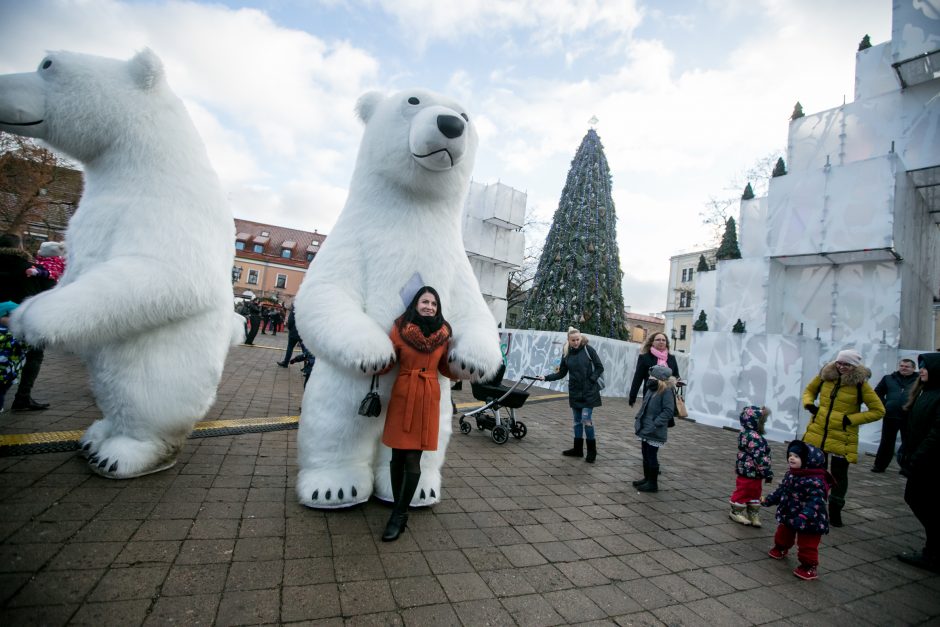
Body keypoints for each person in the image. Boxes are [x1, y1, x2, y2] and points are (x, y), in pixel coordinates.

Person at [378, 286, 456, 542]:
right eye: (425, 302)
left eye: (434, 303)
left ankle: (399, 514)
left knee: (413, 458)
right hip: (403, 395)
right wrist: (372, 360)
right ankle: (397, 504)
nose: (429, 307)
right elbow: (389, 359)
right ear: (416, 303)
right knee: (396, 456)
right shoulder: (400, 328)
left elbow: (446, 367)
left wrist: (468, 367)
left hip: (427, 397)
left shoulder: (444, 334)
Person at [801, 348, 884, 527]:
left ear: (854, 366)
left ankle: (835, 510)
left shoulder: (860, 384)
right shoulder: (825, 376)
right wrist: (809, 404)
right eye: (840, 363)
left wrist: (851, 419)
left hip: (842, 435)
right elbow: (809, 391)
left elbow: (878, 411)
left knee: (839, 475)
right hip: (819, 432)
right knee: (817, 471)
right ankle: (815, 505)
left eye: (847, 364)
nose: (842, 367)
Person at [762, 440, 834, 581]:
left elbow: (816, 503)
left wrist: (803, 515)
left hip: (810, 519)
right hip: (790, 512)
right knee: (783, 533)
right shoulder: (791, 474)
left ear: (808, 460)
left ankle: (809, 566)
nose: (791, 458)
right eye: (790, 455)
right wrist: (769, 499)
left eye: (797, 456)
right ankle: (781, 547)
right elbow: (782, 490)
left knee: (807, 544)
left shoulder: (816, 481)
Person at [897, 353, 940, 573]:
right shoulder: (925, 392)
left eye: (924, 367)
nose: (921, 370)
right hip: (919, 457)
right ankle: (932, 550)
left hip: (929, 462)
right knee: (917, 498)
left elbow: (935, 433)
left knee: (923, 501)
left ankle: (933, 553)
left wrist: (917, 456)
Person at [537, 326, 604, 463]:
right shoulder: (566, 353)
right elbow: (562, 373)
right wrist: (546, 377)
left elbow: (599, 367)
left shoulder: (588, 349)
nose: (576, 342)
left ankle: (592, 452)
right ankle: (577, 450)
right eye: (573, 340)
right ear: (568, 340)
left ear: (581, 338)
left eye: (577, 339)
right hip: (575, 391)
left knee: (586, 420)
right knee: (576, 421)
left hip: (589, 391)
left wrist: (591, 380)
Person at [0, 233, 51, 411]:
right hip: (24, 321)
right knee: (34, 356)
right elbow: (49, 293)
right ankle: (22, 397)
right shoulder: (32, 269)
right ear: (20, 247)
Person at [632, 364, 676, 492]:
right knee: (645, 453)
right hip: (645, 427)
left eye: (652, 376)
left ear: (659, 378)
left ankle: (653, 483)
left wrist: (655, 423)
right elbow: (645, 407)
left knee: (651, 455)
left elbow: (668, 411)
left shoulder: (666, 391)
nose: (649, 378)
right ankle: (647, 479)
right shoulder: (652, 388)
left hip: (655, 430)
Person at [729, 405, 774, 527]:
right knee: (745, 489)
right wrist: (767, 473)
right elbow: (760, 458)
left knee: (754, 490)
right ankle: (736, 510)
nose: (764, 423)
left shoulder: (746, 433)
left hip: (749, 470)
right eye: (762, 421)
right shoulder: (755, 438)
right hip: (752, 469)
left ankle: (752, 512)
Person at [871, 358, 918, 472]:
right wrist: (885, 404)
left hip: (909, 416)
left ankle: (906, 467)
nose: (904, 368)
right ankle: (879, 466)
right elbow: (877, 392)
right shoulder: (888, 378)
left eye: (907, 366)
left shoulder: (919, 380)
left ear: (913, 368)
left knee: (908, 442)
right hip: (891, 415)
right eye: (902, 366)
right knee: (886, 442)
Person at [629, 332, 680, 407]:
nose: (661, 341)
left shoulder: (672, 358)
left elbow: (676, 375)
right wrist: (632, 396)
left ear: (666, 343)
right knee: (649, 417)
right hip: (650, 394)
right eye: (658, 339)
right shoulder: (644, 358)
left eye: (663, 340)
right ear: (652, 342)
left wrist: (678, 381)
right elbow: (637, 378)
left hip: (667, 396)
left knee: (666, 417)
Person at [0, 301, 28, 413]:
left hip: (8, 372)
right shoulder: (11, 333)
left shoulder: (18, 333)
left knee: (2, 390)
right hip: (7, 371)